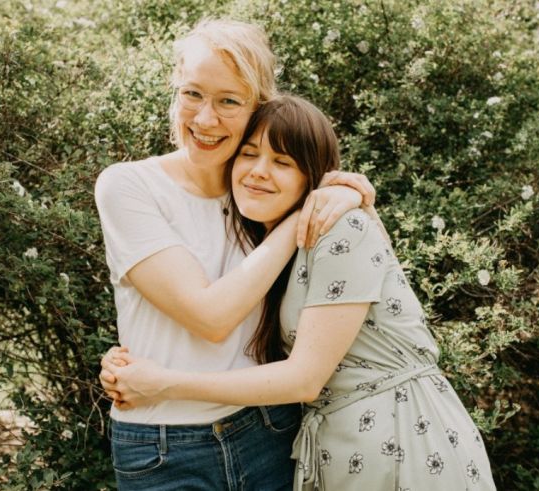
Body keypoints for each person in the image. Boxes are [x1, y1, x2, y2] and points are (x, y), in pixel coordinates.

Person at [101, 95, 497, 490]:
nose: (259, 172)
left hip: (405, 439)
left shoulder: (342, 228)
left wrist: (161, 382)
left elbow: (304, 378)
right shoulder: (271, 243)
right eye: (249, 154)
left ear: (311, 175)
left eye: (282, 162)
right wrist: (137, 355)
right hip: (342, 445)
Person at [94, 19, 374, 490]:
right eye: (192, 94)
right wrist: (300, 215)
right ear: (174, 91)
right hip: (161, 444)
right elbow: (210, 317)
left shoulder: (260, 189)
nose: (205, 120)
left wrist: (341, 193)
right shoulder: (129, 186)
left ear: (258, 108)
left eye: (228, 101)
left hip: (268, 429)